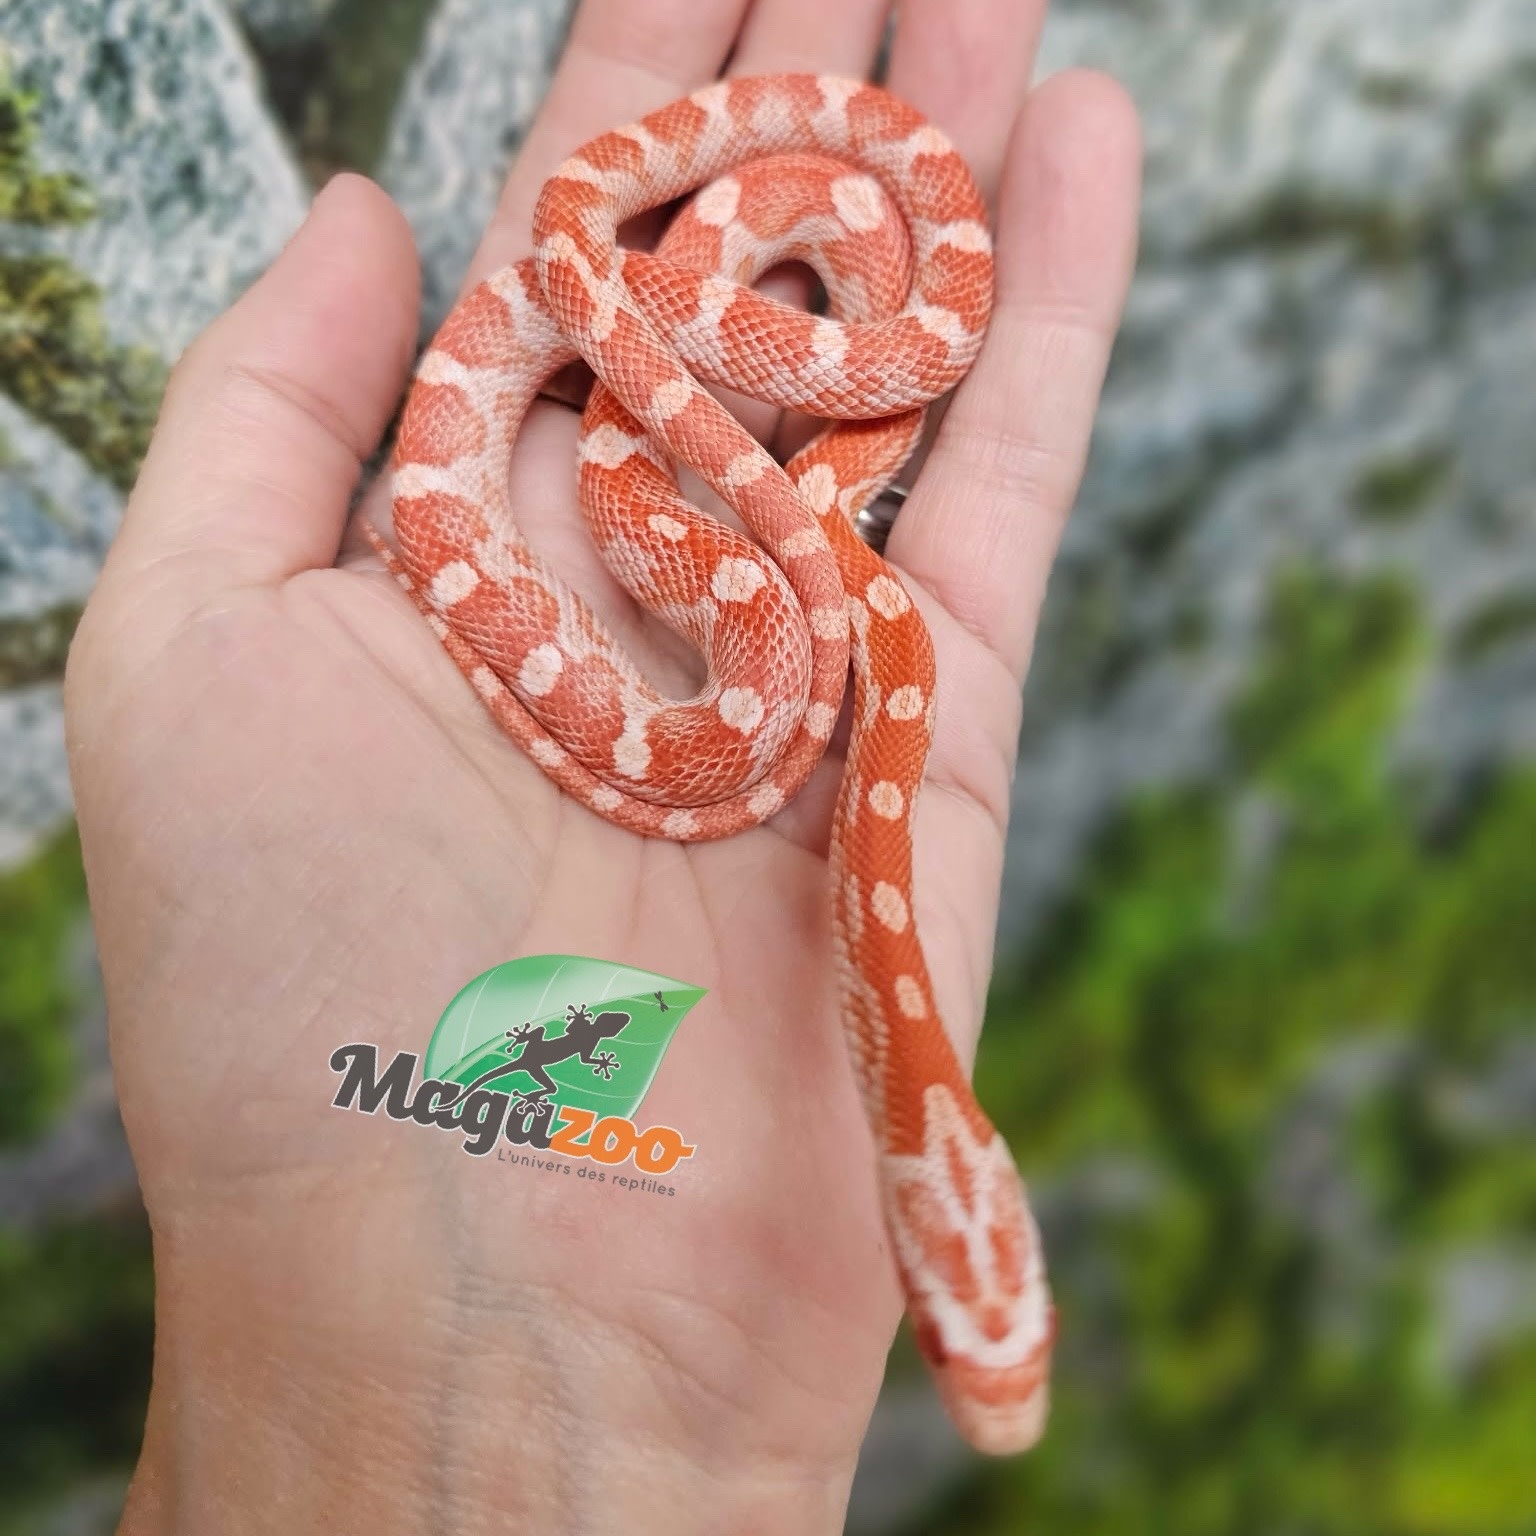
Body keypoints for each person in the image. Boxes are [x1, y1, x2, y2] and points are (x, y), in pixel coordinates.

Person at [64, 0, 1140, 1527]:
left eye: (977, 1344)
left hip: (736, 370)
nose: (984, 1379)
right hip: (683, 364)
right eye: (984, 1337)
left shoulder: (854, 611)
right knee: (637, 425)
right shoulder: (764, 545)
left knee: (696, 448)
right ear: (970, 1211)